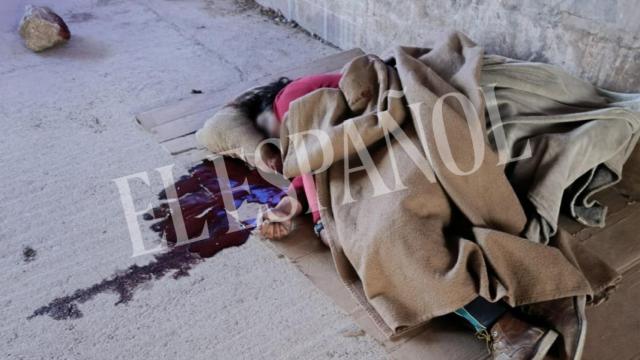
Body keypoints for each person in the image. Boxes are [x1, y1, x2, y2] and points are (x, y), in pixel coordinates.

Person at [228, 74, 565, 360]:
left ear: (267, 112)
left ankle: (507, 326)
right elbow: (309, 165)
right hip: (390, 147)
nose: (271, 148)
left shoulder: (288, 98)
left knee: (380, 241)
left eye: (266, 133)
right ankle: (516, 301)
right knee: (406, 232)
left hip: (389, 149)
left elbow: (312, 148)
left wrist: (324, 220)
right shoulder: (317, 101)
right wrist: (291, 204)